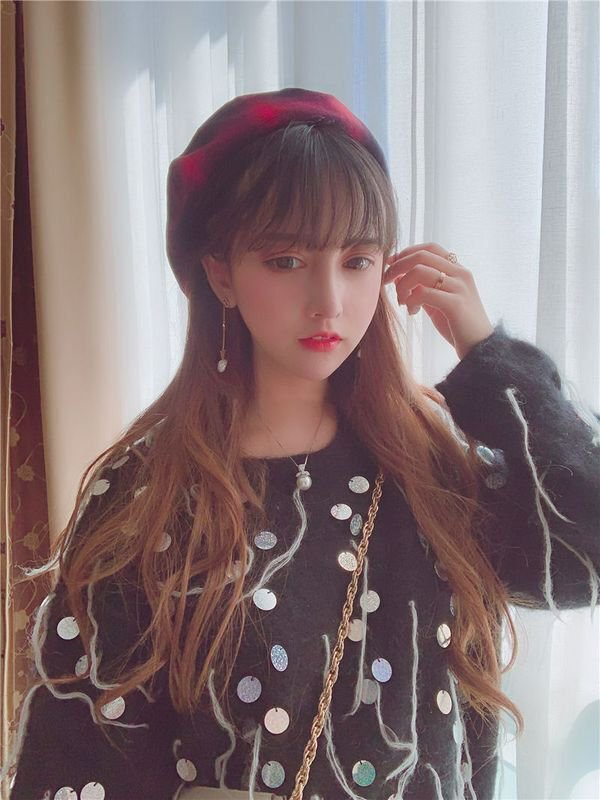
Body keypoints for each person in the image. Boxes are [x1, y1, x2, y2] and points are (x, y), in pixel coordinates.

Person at [4, 88, 600, 800]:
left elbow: (585, 556)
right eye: (286, 260)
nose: (329, 302)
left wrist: (490, 358)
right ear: (220, 273)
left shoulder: (430, 463)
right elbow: (77, 760)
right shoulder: (150, 491)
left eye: (357, 260)